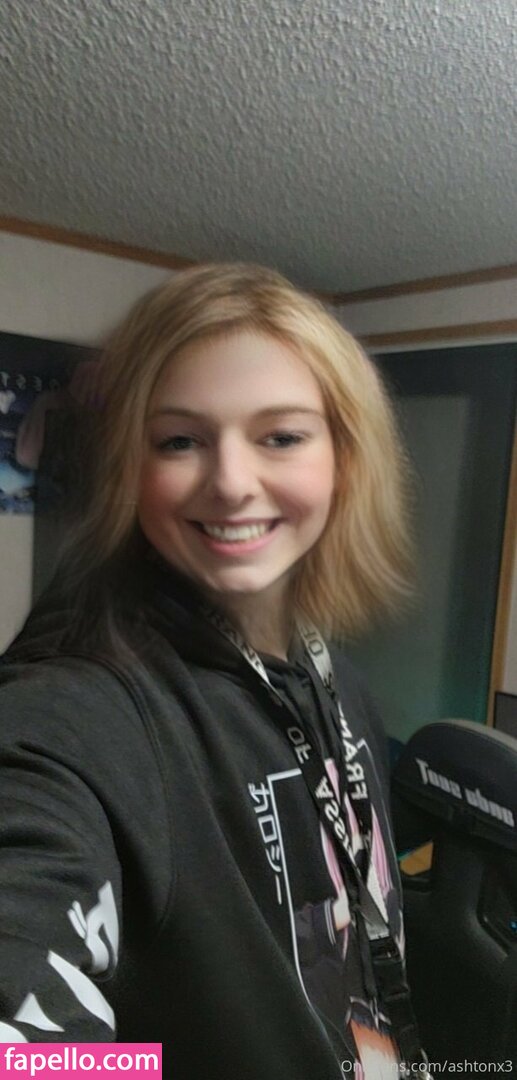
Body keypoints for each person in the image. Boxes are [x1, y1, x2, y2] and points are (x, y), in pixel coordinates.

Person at [0, 263, 421, 1079]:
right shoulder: (76, 710)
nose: (230, 483)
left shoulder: (334, 676)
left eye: (280, 436)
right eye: (179, 441)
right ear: (129, 465)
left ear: (344, 456)